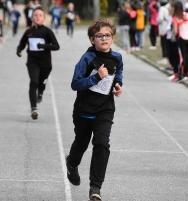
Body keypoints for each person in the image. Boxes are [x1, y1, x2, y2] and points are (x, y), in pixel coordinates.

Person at [66, 18, 123, 201]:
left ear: (112, 38)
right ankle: (72, 163)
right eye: (99, 36)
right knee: (81, 144)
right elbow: (75, 84)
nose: (104, 39)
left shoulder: (117, 57)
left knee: (101, 144)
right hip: (84, 110)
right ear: (92, 39)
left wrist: (118, 84)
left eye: (107, 35)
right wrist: (96, 78)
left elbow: (118, 72)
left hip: (104, 109)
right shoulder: (87, 58)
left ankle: (95, 187)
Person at [16, 7, 60, 120]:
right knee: (33, 82)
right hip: (32, 62)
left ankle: (41, 91)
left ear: (44, 18)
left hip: (46, 63)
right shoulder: (29, 32)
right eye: (35, 15)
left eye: (40, 15)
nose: (38, 17)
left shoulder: (47, 31)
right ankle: (33, 108)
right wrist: (19, 50)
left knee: (41, 83)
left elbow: (56, 46)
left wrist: (44, 46)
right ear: (31, 18)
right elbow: (22, 43)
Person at [172, 1, 188, 82]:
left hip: (182, 37)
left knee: (183, 56)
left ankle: (182, 74)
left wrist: (175, 37)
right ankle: (186, 74)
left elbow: (175, 31)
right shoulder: (187, 14)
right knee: (187, 56)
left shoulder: (175, 17)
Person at [157, 0, 170, 65]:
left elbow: (160, 18)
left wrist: (157, 20)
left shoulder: (162, 8)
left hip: (163, 27)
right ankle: (168, 57)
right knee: (168, 43)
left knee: (163, 43)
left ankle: (165, 57)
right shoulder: (170, 7)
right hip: (169, 28)